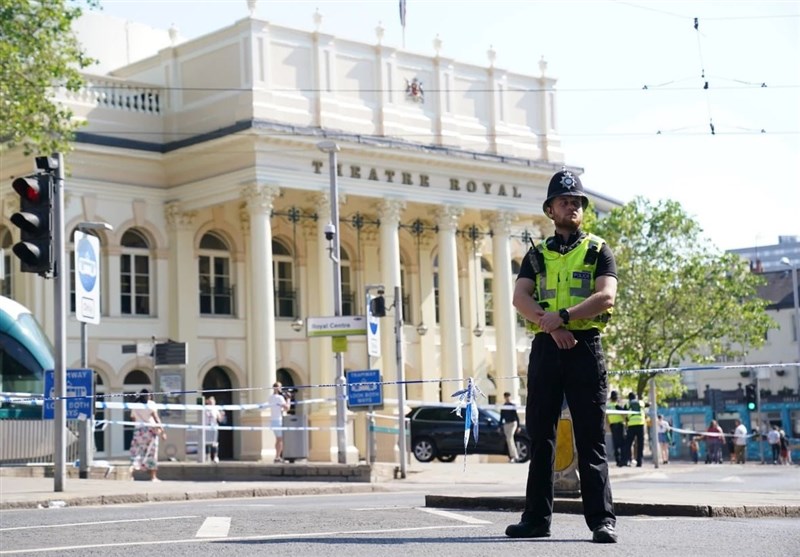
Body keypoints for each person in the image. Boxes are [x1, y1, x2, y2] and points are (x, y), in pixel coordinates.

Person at [505, 170, 618, 544]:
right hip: (547, 349)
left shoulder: (598, 249)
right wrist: (551, 326)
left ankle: (602, 520)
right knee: (541, 437)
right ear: (550, 209)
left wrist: (566, 317)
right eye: (564, 201)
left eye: (577, 202)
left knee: (591, 437)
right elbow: (520, 298)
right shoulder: (536, 254)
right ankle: (536, 519)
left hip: (584, 347)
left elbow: (606, 296)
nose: (572, 205)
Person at [129, 389, 166, 481]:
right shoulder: (151, 404)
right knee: (152, 452)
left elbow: (133, 418)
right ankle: (153, 476)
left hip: (138, 430)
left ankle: (131, 473)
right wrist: (162, 430)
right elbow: (156, 418)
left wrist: (138, 425)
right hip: (150, 430)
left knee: (136, 451)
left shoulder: (135, 405)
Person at [269, 382, 291, 463]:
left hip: (273, 420)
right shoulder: (279, 398)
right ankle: (278, 457)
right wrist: (288, 399)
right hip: (278, 420)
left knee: (278, 439)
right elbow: (287, 408)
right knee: (280, 440)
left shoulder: (270, 397)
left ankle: (278, 456)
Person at [623, 392, 645, 467]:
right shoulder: (641, 402)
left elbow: (624, 413)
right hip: (640, 424)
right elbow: (646, 406)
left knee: (628, 444)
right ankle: (640, 461)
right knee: (640, 444)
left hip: (631, 425)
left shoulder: (627, 404)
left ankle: (628, 460)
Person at [204, 395, 226, 463]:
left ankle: (216, 457)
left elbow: (220, 419)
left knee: (214, 443)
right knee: (207, 443)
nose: (211, 403)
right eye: (210, 402)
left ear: (214, 402)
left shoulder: (216, 409)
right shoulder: (205, 409)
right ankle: (208, 457)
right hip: (206, 427)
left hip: (214, 427)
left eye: (212, 402)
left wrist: (222, 415)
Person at [500, 392, 521, 463]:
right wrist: (499, 426)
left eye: (508, 396)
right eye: (506, 397)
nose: (507, 398)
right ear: (504, 397)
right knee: (509, 440)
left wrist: (518, 426)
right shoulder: (504, 406)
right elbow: (501, 417)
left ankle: (515, 456)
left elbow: (516, 416)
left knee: (509, 438)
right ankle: (513, 456)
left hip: (513, 423)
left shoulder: (512, 405)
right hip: (506, 424)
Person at [606, 390, 625, 467]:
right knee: (621, 443)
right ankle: (622, 460)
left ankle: (617, 460)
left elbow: (606, 417)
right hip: (619, 425)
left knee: (615, 443)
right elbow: (624, 414)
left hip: (612, 425)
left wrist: (608, 425)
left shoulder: (608, 406)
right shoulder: (617, 406)